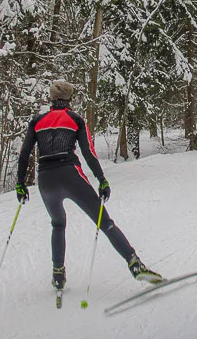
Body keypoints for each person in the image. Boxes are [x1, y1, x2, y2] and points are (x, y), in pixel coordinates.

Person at [15, 79, 161, 291]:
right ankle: (134, 263)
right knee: (105, 222)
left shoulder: (37, 121)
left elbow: (24, 155)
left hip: (45, 179)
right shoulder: (75, 119)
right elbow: (88, 153)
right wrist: (102, 179)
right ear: (70, 99)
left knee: (57, 223)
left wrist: (21, 184)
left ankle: (58, 274)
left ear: (51, 98)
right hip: (71, 175)